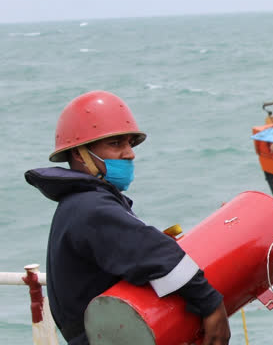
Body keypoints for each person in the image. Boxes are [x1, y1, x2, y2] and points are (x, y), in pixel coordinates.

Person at [25, 91, 230, 345]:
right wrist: (211, 303)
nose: (129, 153)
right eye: (116, 144)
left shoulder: (78, 202)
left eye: (130, 144)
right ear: (79, 154)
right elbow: (153, 253)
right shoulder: (92, 208)